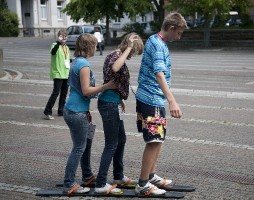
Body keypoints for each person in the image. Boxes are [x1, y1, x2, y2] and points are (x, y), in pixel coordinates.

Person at [134, 12, 187, 195]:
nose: (179, 37)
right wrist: (172, 101)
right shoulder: (158, 45)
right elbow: (159, 73)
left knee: (158, 138)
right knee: (154, 141)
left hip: (150, 98)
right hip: (151, 99)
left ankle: (150, 176)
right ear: (171, 28)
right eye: (179, 33)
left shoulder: (154, 40)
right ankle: (142, 184)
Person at [63, 33, 116, 195]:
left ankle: (87, 176)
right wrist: (106, 86)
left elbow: (78, 89)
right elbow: (86, 90)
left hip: (75, 109)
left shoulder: (76, 62)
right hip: (76, 112)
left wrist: (86, 111)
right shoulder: (84, 65)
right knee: (79, 148)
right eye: (95, 45)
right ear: (88, 47)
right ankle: (69, 183)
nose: (96, 48)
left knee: (84, 145)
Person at [94, 33, 144, 194]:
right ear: (129, 46)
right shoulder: (116, 55)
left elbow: (115, 77)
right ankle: (101, 183)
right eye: (134, 52)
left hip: (113, 101)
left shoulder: (115, 55)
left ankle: (118, 176)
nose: (133, 55)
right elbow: (115, 68)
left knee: (121, 139)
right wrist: (128, 47)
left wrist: (121, 97)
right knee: (111, 144)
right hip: (109, 104)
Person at [43, 29, 71, 120]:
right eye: (62, 36)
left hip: (66, 73)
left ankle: (61, 110)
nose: (64, 38)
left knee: (64, 93)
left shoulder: (66, 48)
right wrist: (58, 42)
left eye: (65, 36)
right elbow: (53, 52)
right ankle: (47, 111)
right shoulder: (55, 45)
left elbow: (67, 59)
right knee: (55, 93)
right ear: (59, 37)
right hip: (58, 73)